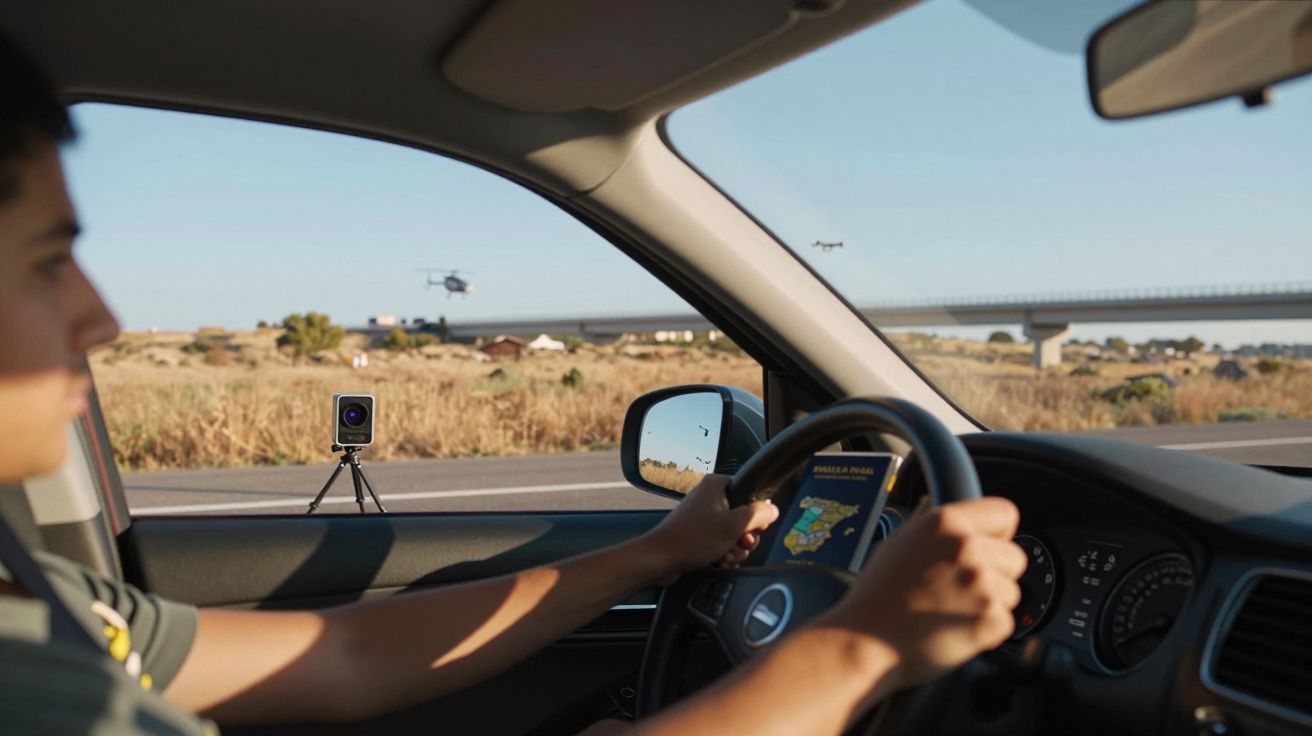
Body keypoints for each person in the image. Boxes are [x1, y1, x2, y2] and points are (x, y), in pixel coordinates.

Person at [0, 32, 1025, 735]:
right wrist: (855, 650)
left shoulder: (39, 606)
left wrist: (657, 552)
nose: (104, 321)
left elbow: (343, 657)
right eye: (49, 262)